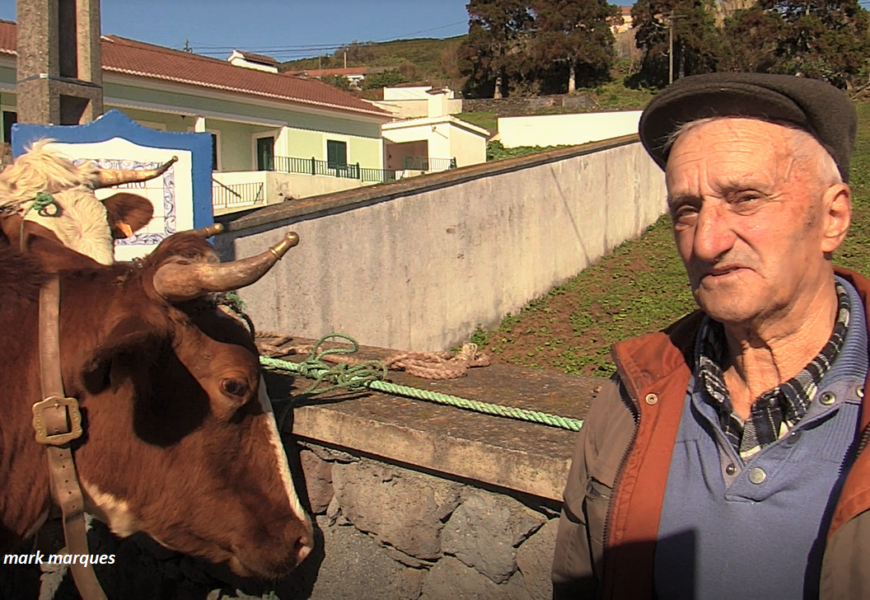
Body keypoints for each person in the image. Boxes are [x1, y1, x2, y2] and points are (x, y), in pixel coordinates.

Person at [551, 72, 870, 600]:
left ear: (833, 216)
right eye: (687, 209)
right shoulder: (629, 398)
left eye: (745, 198)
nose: (707, 241)